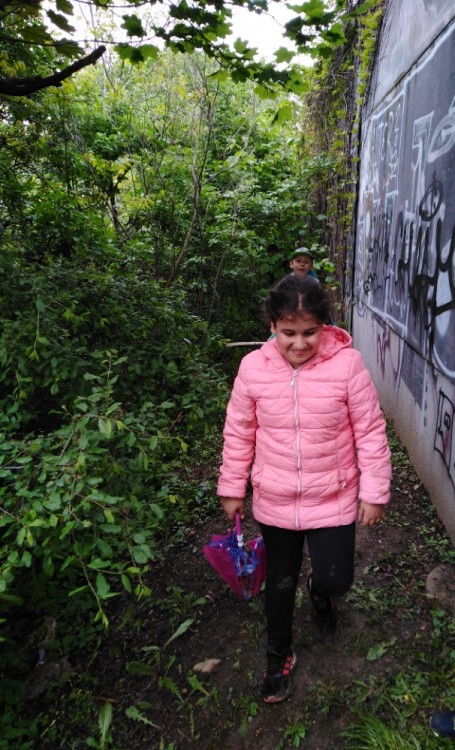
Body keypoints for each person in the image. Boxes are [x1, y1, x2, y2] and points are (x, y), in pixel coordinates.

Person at [217, 275, 391, 704]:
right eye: (288, 333)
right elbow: (239, 431)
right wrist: (232, 485)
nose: (299, 343)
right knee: (279, 583)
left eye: (309, 332)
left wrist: (374, 492)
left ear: (324, 326)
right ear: (272, 326)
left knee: (336, 578)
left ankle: (320, 593)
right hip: (275, 499)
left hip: (333, 496)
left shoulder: (347, 366)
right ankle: (278, 656)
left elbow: (370, 431)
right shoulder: (253, 369)